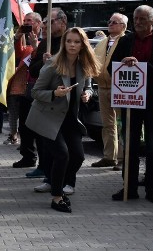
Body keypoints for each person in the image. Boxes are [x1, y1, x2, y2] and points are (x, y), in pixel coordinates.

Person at [29, 27, 98, 213]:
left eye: (76, 42)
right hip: (48, 117)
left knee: (78, 157)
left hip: (71, 118)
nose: (72, 45)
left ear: (83, 44)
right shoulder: (53, 64)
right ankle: (57, 197)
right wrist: (54, 93)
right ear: (64, 43)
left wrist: (87, 94)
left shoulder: (84, 64)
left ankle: (56, 182)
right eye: (69, 41)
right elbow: (35, 92)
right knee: (62, 155)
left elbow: (89, 86)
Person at [110, 5, 153, 202]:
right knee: (130, 146)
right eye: (135, 19)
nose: (137, 22)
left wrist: (142, 68)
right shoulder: (126, 40)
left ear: (152, 21)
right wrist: (124, 64)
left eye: (142, 19)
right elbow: (110, 68)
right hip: (131, 102)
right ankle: (129, 187)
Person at [27, 9, 66, 187]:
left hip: (65, 102)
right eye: (44, 22)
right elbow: (33, 70)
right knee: (45, 141)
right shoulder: (45, 43)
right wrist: (44, 63)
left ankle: (65, 180)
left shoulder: (70, 41)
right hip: (46, 99)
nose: (44, 25)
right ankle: (48, 175)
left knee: (64, 147)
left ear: (62, 22)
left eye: (49, 21)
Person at [91, 12, 129, 169]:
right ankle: (109, 156)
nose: (110, 24)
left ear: (123, 26)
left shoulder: (127, 41)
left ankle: (122, 159)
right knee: (107, 124)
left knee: (121, 123)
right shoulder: (102, 42)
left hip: (120, 88)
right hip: (102, 87)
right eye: (110, 21)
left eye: (115, 22)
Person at [11, 12, 43, 166]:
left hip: (40, 89)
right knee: (24, 125)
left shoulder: (45, 41)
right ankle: (28, 156)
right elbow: (15, 54)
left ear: (38, 23)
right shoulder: (25, 42)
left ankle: (41, 160)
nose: (26, 23)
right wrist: (17, 36)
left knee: (39, 128)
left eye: (29, 21)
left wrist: (36, 46)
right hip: (25, 89)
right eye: (24, 21)